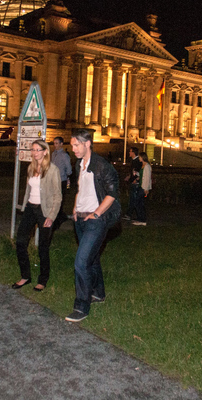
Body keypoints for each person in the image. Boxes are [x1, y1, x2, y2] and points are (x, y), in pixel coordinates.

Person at [66, 128, 121, 322]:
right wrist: (75, 208)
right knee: (92, 258)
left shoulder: (102, 165)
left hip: (95, 221)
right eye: (72, 145)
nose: (73, 149)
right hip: (80, 219)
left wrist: (96, 214)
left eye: (76, 145)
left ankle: (82, 307)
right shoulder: (79, 164)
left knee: (81, 262)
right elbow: (80, 189)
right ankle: (98, 292)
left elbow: (112, 193)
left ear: (87, 143)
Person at [12, 140, 62, 291]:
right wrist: (25, 204)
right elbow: (29, 189)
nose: (34, 153)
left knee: (43, 246)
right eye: (32, 150)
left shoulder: (53, 170)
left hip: (44, 210)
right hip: (30, 208)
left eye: (37, 150)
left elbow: (58, 196)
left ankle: (43, 279)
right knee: (20, 241)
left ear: (45, 151)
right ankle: (25, 276)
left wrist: (51, 216)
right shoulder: (31, 167)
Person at [50, 136, 72, 231]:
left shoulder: (64, 155)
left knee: (59, 201)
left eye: (57, 143)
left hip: (61, 180)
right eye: (54, 143)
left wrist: (66, 176)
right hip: (52, 180)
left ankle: (58, 221)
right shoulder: (53, 154)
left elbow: (69, 169)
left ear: (61, 144)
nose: (55, 145)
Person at [122, 147, 143, 222]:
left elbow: (139, 172)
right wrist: (129, 177)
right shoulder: (134, 161)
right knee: (133, 199)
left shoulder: (137, 161)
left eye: (130, 151)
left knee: (133, 199)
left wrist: (135, 179)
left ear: (133, 153)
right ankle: (130, 214)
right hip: (133, 182)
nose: (129, 153)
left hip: (135, 183)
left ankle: (130, 214)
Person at [132, 151, 152, 226]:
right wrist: (137, 175)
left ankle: (141, 219)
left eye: (140, 157)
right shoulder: (143, 165)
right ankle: (140, 218)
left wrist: (146, 189)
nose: (139, 158)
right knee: (140, 203)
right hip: (141, 186)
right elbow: (142, 175)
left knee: (138, 202)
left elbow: (147, 178)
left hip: (143, 187)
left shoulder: (147, 166)